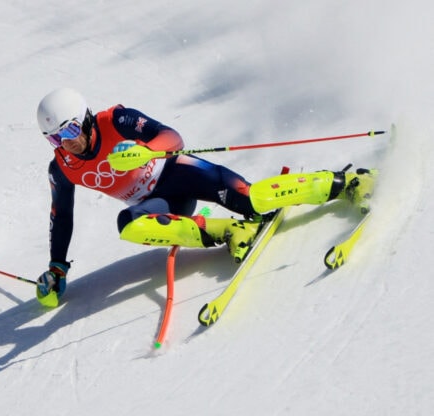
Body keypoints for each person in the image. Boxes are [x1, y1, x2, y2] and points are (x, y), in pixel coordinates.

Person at [34, 87, 375, 307]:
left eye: (70, 130)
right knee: (128, 225)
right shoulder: (62, 167)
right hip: (161, 205)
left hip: (180, 172)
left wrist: (145, 151)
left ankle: (346, 182)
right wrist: (57, 268)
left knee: (251, 201)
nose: (68, 143)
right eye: (55, 138)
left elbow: (172, 137)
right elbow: (61, 215)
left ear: (86, 119)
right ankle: (230, 232)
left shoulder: (118, 120)